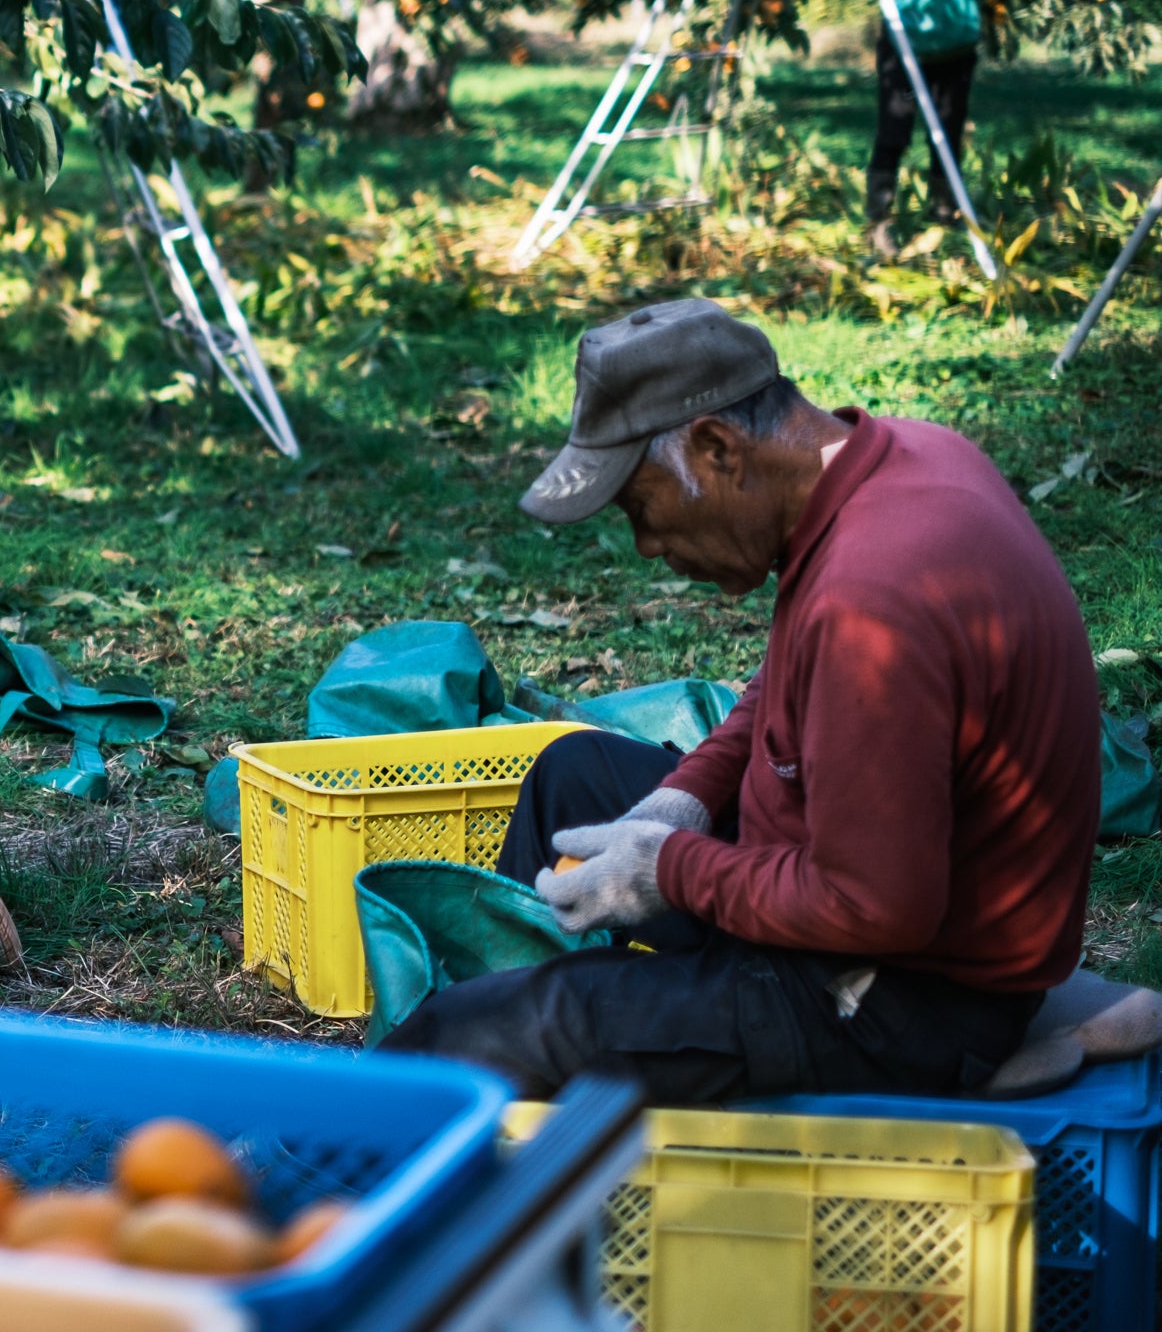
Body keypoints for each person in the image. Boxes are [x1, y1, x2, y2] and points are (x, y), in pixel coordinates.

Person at [384, 298, 1100, 1101]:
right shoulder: (898, 460)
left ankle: (371, 1138)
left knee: (481, 1027)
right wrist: (686, 796)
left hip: (894, 997)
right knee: (570, 773)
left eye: (641, 508)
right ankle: (544, 1050)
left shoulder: (871, 600)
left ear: (718, 448)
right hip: (858, 886)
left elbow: (876, 906)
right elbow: (782, 683)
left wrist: (671, 869)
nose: (646, 546)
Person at [868, 0, 1000, 257]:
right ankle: (880, 220)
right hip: (912, 25)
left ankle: (944, 210)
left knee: (949, 121)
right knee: (896, 123)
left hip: (946, 22)